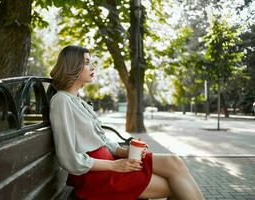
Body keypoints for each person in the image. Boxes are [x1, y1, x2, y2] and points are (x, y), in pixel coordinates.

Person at [49, 45, 205, 200]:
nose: (93, 66)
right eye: (87, 62)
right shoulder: (62, 101)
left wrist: (122, 151)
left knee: (174, 162)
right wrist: (115, 165)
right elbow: (68, 158)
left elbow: (100, 140)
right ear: (73, 65)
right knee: (175, 185)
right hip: (97, 177)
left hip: (109, 164)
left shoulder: (77, 101)